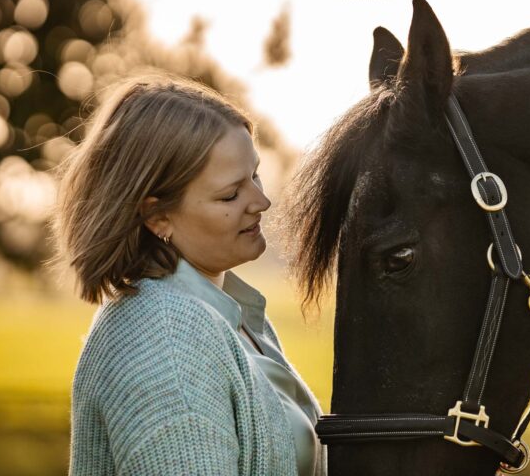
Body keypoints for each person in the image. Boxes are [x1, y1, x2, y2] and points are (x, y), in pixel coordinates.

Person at [51, 72, 326, 475]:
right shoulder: (166, 339)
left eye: (255, 175)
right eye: (230, 194)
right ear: (156, 215)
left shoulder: (228, 314)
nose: (262, 201)